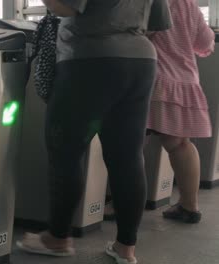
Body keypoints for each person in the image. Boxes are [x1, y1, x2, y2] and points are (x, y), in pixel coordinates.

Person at [16, 1, 171, 264]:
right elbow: (157, 23)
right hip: (140, 61)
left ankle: (57, 238)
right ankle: (126, 249)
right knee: (128, 158)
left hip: (89, 58)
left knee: (66, 152)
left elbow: (65, 7)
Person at [147, 0, 215, 223]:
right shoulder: (189, 5)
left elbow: (138, 33)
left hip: (155, 78)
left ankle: (120, 205)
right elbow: (205, 43)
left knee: (131, 144)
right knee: (181, 144)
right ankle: (189, 206)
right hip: (186, 80)